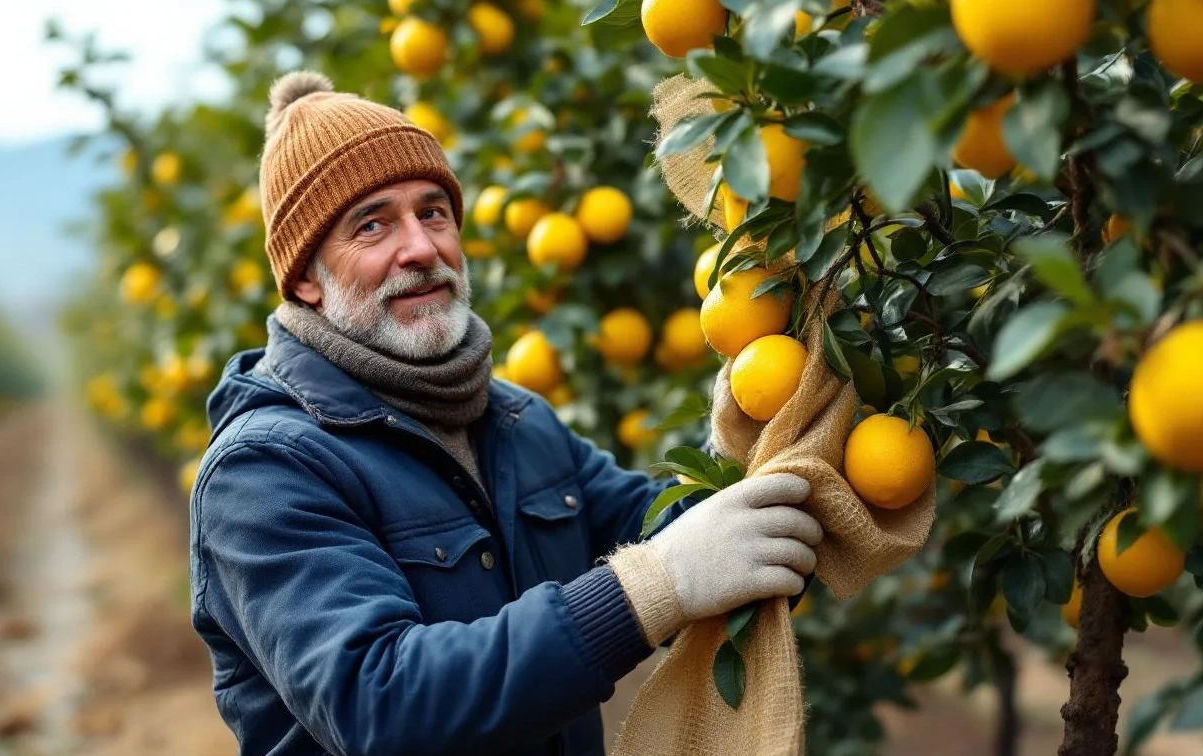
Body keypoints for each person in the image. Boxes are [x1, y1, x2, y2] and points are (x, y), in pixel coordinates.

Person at [189, 69, 824, 756]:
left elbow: (664, 527)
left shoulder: (515, 420)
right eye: (370, 225)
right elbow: (382, 703)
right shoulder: (264, 469)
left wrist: (783, 406)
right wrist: (654, 586)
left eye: (433, 212)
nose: (422, 249)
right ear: (307, 277)